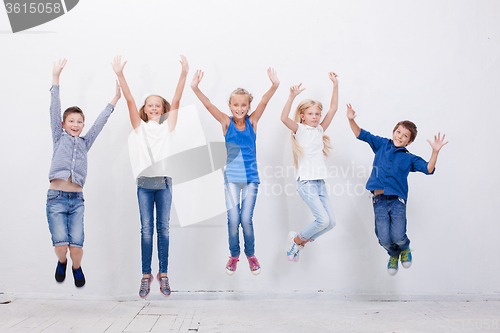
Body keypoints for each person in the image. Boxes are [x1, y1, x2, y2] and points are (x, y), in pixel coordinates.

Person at [112, 55, 189, 298]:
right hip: (144, 185)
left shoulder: (168, 127)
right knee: (147, 230)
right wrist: (120, 74)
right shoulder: (139, 128)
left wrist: (184, 73)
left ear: (163, 109)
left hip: (165, 183)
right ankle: (146, 275)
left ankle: (163, 274)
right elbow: (129, 99)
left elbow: (177, 99)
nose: (153, 108)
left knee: (163, 230)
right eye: (149, 105)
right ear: (144, 110)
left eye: (158, 105)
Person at [190, 68, 279, 275]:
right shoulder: (226, 122)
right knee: (233, 220)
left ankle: (250, 255)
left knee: (246, 219)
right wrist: (195, 87)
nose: (240, 108)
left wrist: (274, 85)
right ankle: (234, 255)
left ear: (249, 106)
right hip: (231, 179)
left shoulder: (252, 122)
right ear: (230, 106)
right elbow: (208, 105)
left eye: (244, 105)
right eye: (235, 104)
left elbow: (264, 102)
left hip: (250, 180)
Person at [346, 103, 448, 275]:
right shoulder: (381, 144)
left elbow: (429, 169)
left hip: (397, 201)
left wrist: (435, 152)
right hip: (378, 200)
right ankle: (393, 254)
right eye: (398, 132)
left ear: (410, 141)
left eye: (405, 135)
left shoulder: (409, 158)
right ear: (393, 131)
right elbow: (360, 134)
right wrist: (350, 119)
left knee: (398, 235)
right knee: (384, 238)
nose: (400, 136)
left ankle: (405, 247)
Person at [47, 59, 121, 288]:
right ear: (63, 124)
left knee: (76, 246)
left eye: (79, 121)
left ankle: (76, 268)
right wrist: (56, 78)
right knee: (61, 246)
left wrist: (115, 99)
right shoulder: (59, 138)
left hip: (77, 200)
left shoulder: (85, 142)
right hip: (56, 199)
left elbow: (100, 122)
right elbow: (54, 107)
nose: (76, 124)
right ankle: (61, 262)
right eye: (71, 121)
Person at [281, 72, 339, 262]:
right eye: (311, 114)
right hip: (306, 182)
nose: (315, 117)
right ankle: (296, 240)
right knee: (322, 220)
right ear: (303, 116)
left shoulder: (320, 130)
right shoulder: (301, 130)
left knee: (331, 223)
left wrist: (335, 85)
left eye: (317, 114)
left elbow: (333, 109)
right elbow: (283, 118)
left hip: (319, 182)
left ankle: (299, 242)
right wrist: (291, 96)